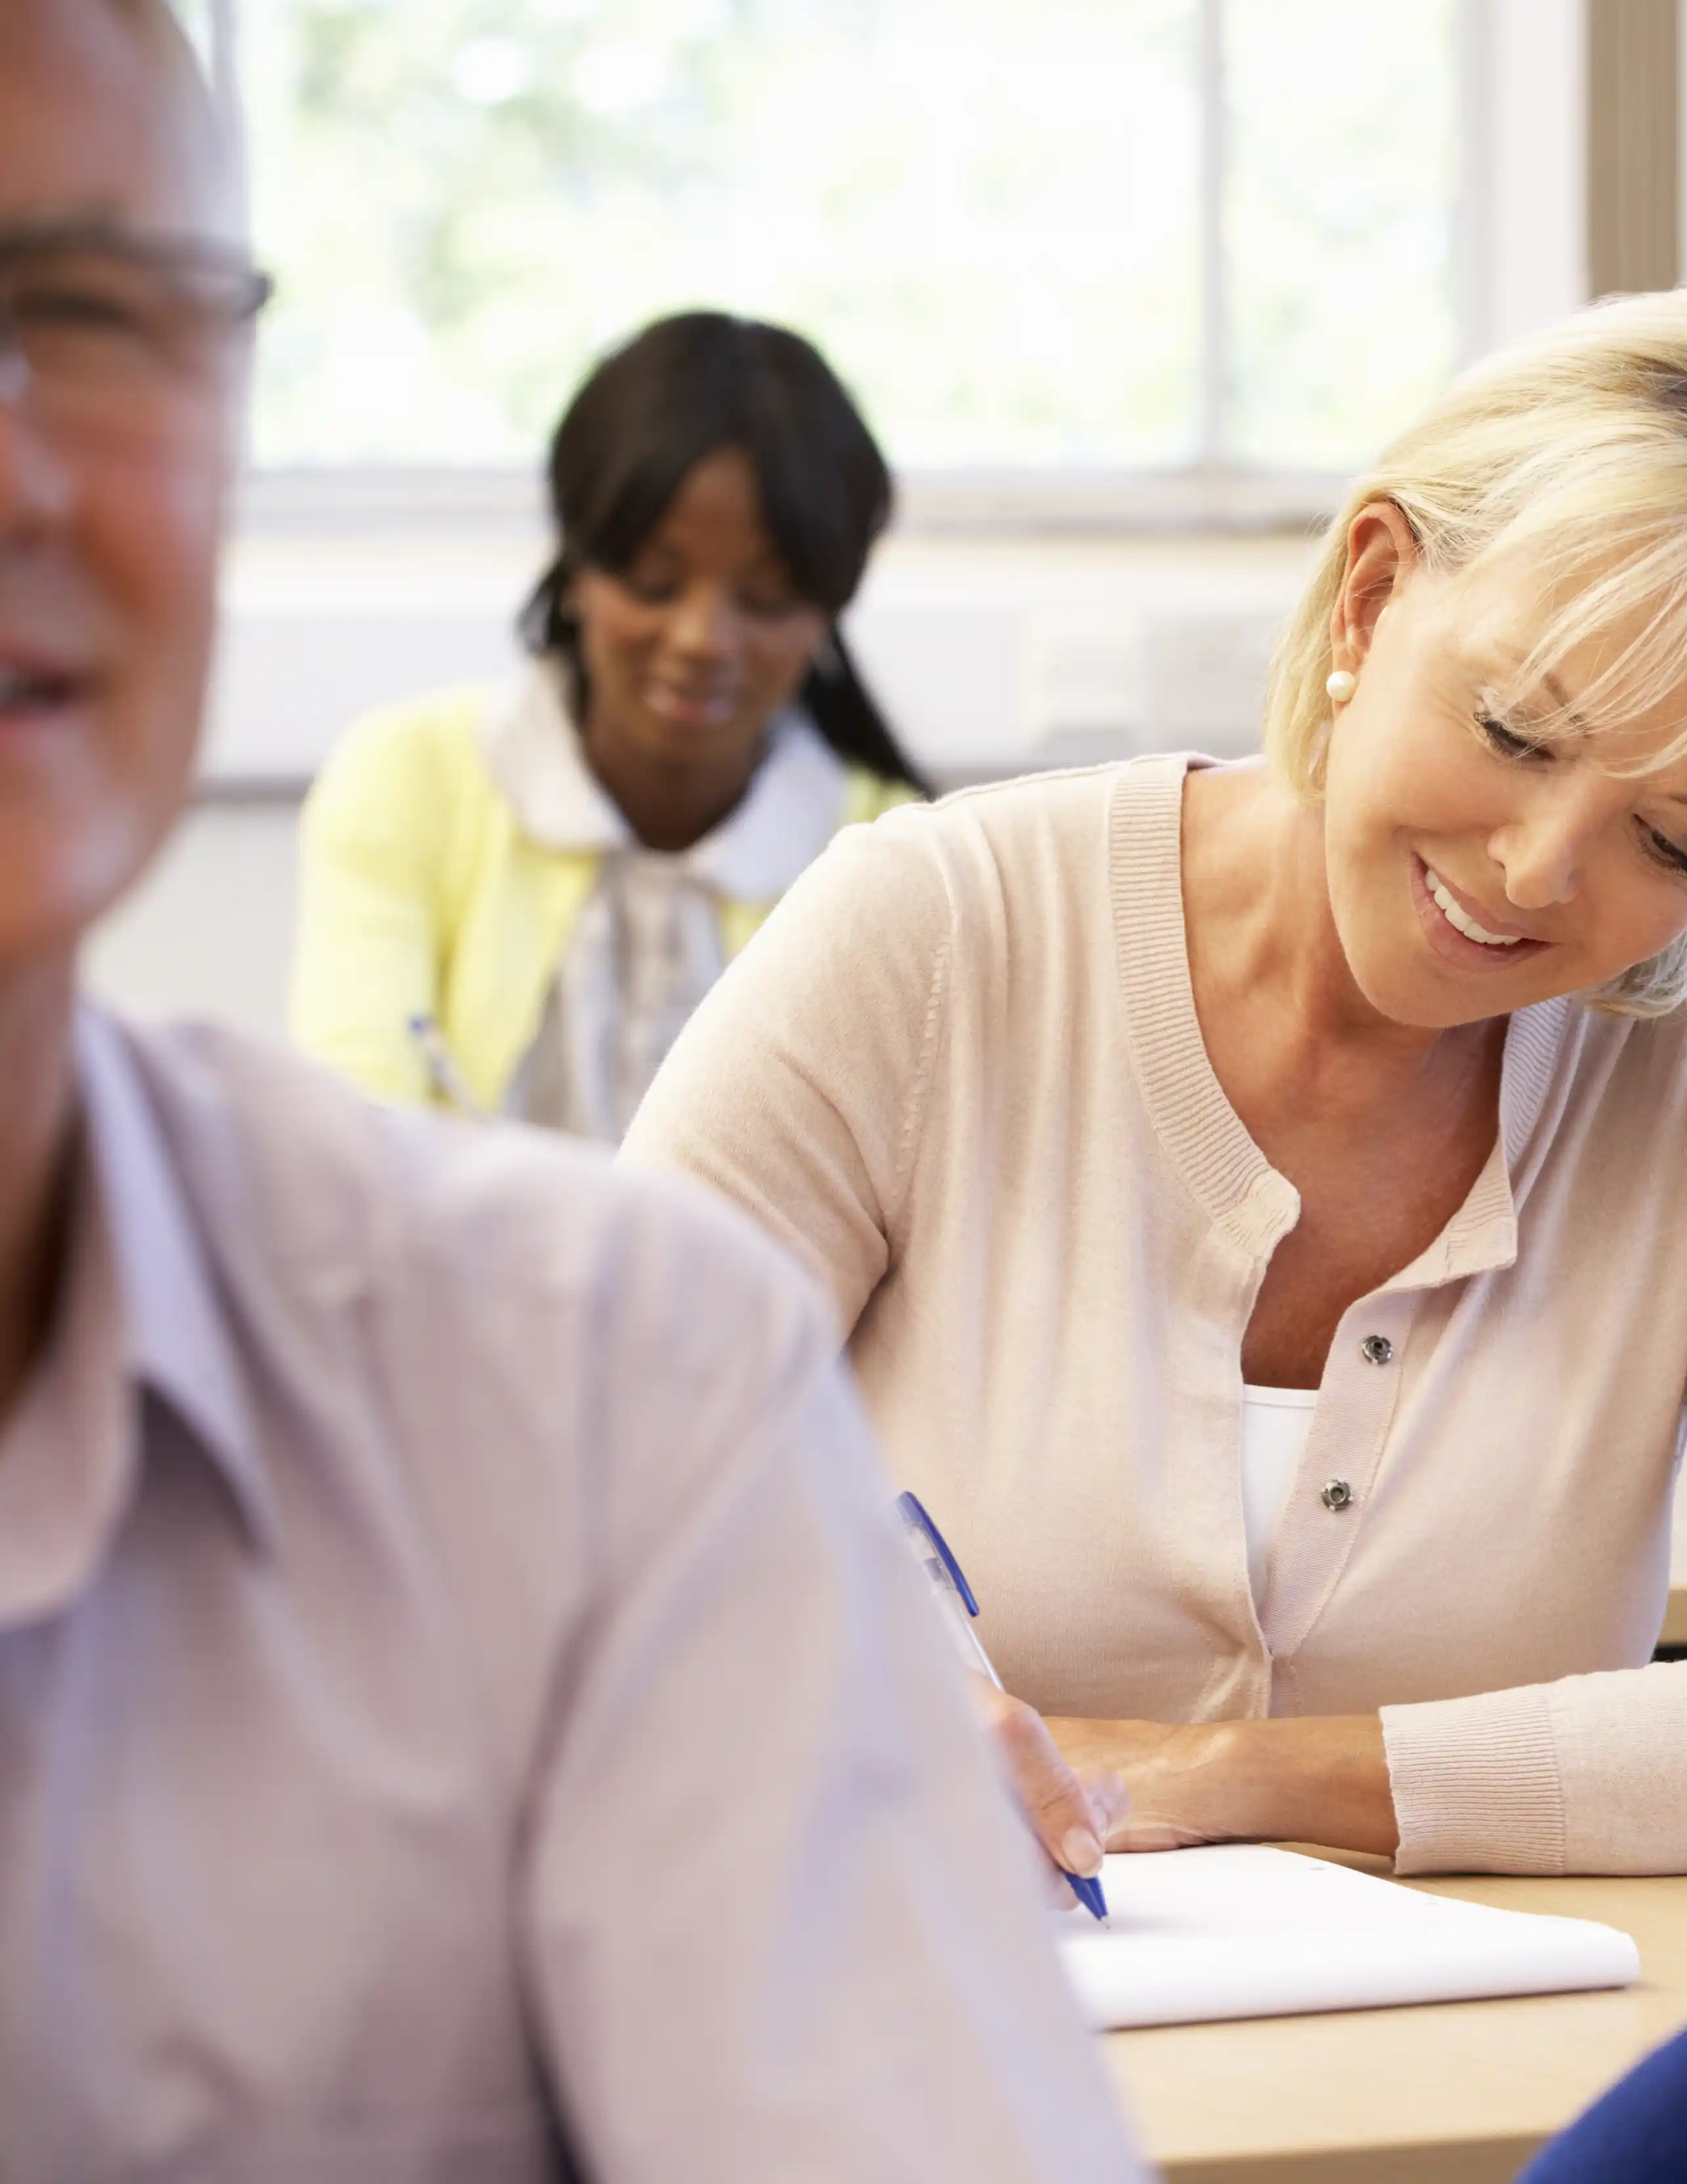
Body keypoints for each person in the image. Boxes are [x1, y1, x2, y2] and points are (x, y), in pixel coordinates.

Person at [0, 3, 1141, 2172]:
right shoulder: (423, 788)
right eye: (656, 578)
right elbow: (372, 1097)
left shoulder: (649, 1357)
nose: (705, 639)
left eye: (83, 312)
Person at [623, 289, 1687, 1878]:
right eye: (1514, 730)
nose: (1538, 870)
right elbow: (572, 1497)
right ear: (1370, 597)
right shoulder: (936, 932)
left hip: (1476, 2082)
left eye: (1676, 842)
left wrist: (1237, 1775)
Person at [290, 310, 928, 1143]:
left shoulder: (899, 855)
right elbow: (348, 1140)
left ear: (827, 610)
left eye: (766, 599)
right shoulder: (409, 775)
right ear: (576, 570)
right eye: (655, 581)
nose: (703, 640)